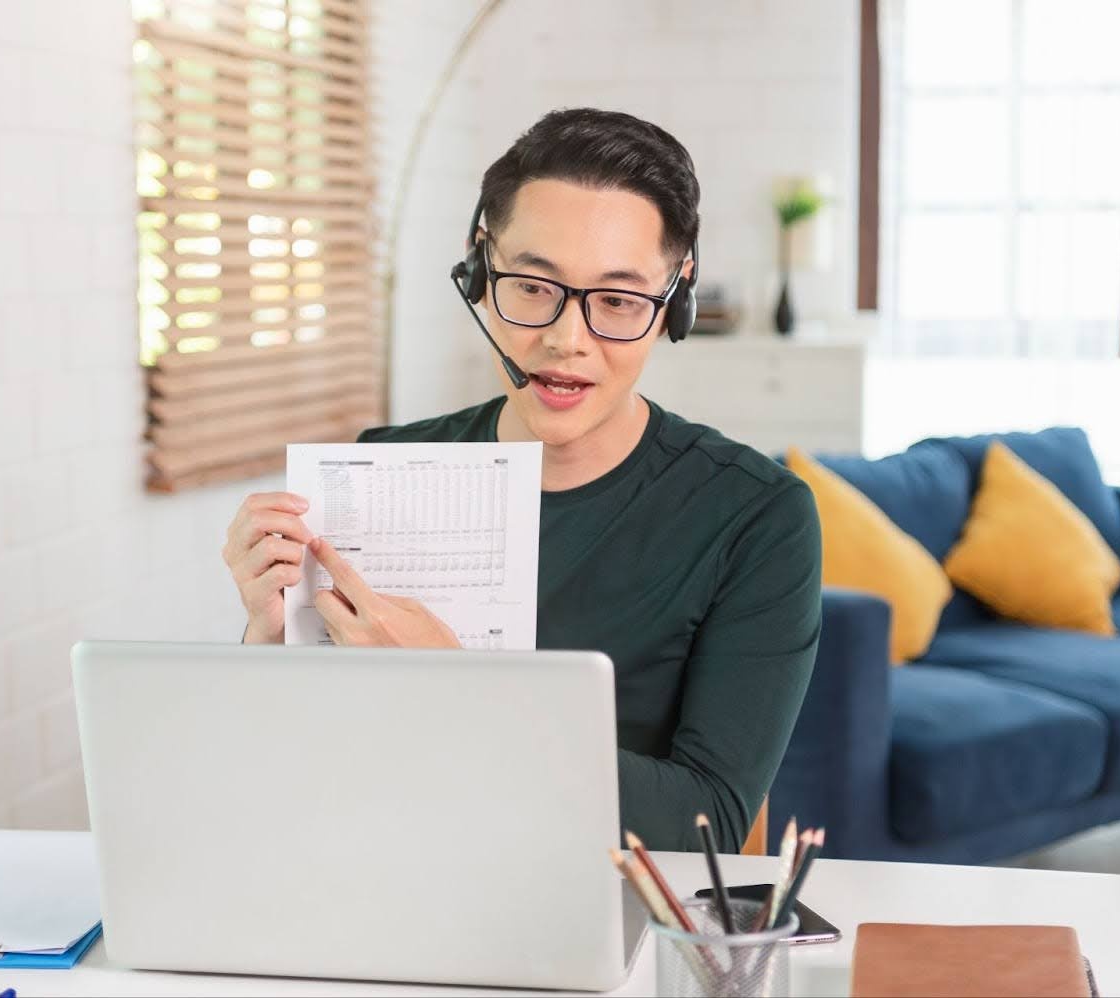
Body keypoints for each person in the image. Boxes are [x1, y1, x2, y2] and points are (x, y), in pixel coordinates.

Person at [221, 108, 822, 852]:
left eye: (618, 301)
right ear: (479, 269)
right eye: (534, 287)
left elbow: (709, 824)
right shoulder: (382, 470)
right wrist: (267, 637)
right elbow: (285, 774)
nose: (567, 341)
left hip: (604, 911)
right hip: (379, 872)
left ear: (677, 297)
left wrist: (457, 691)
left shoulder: (755, 516)